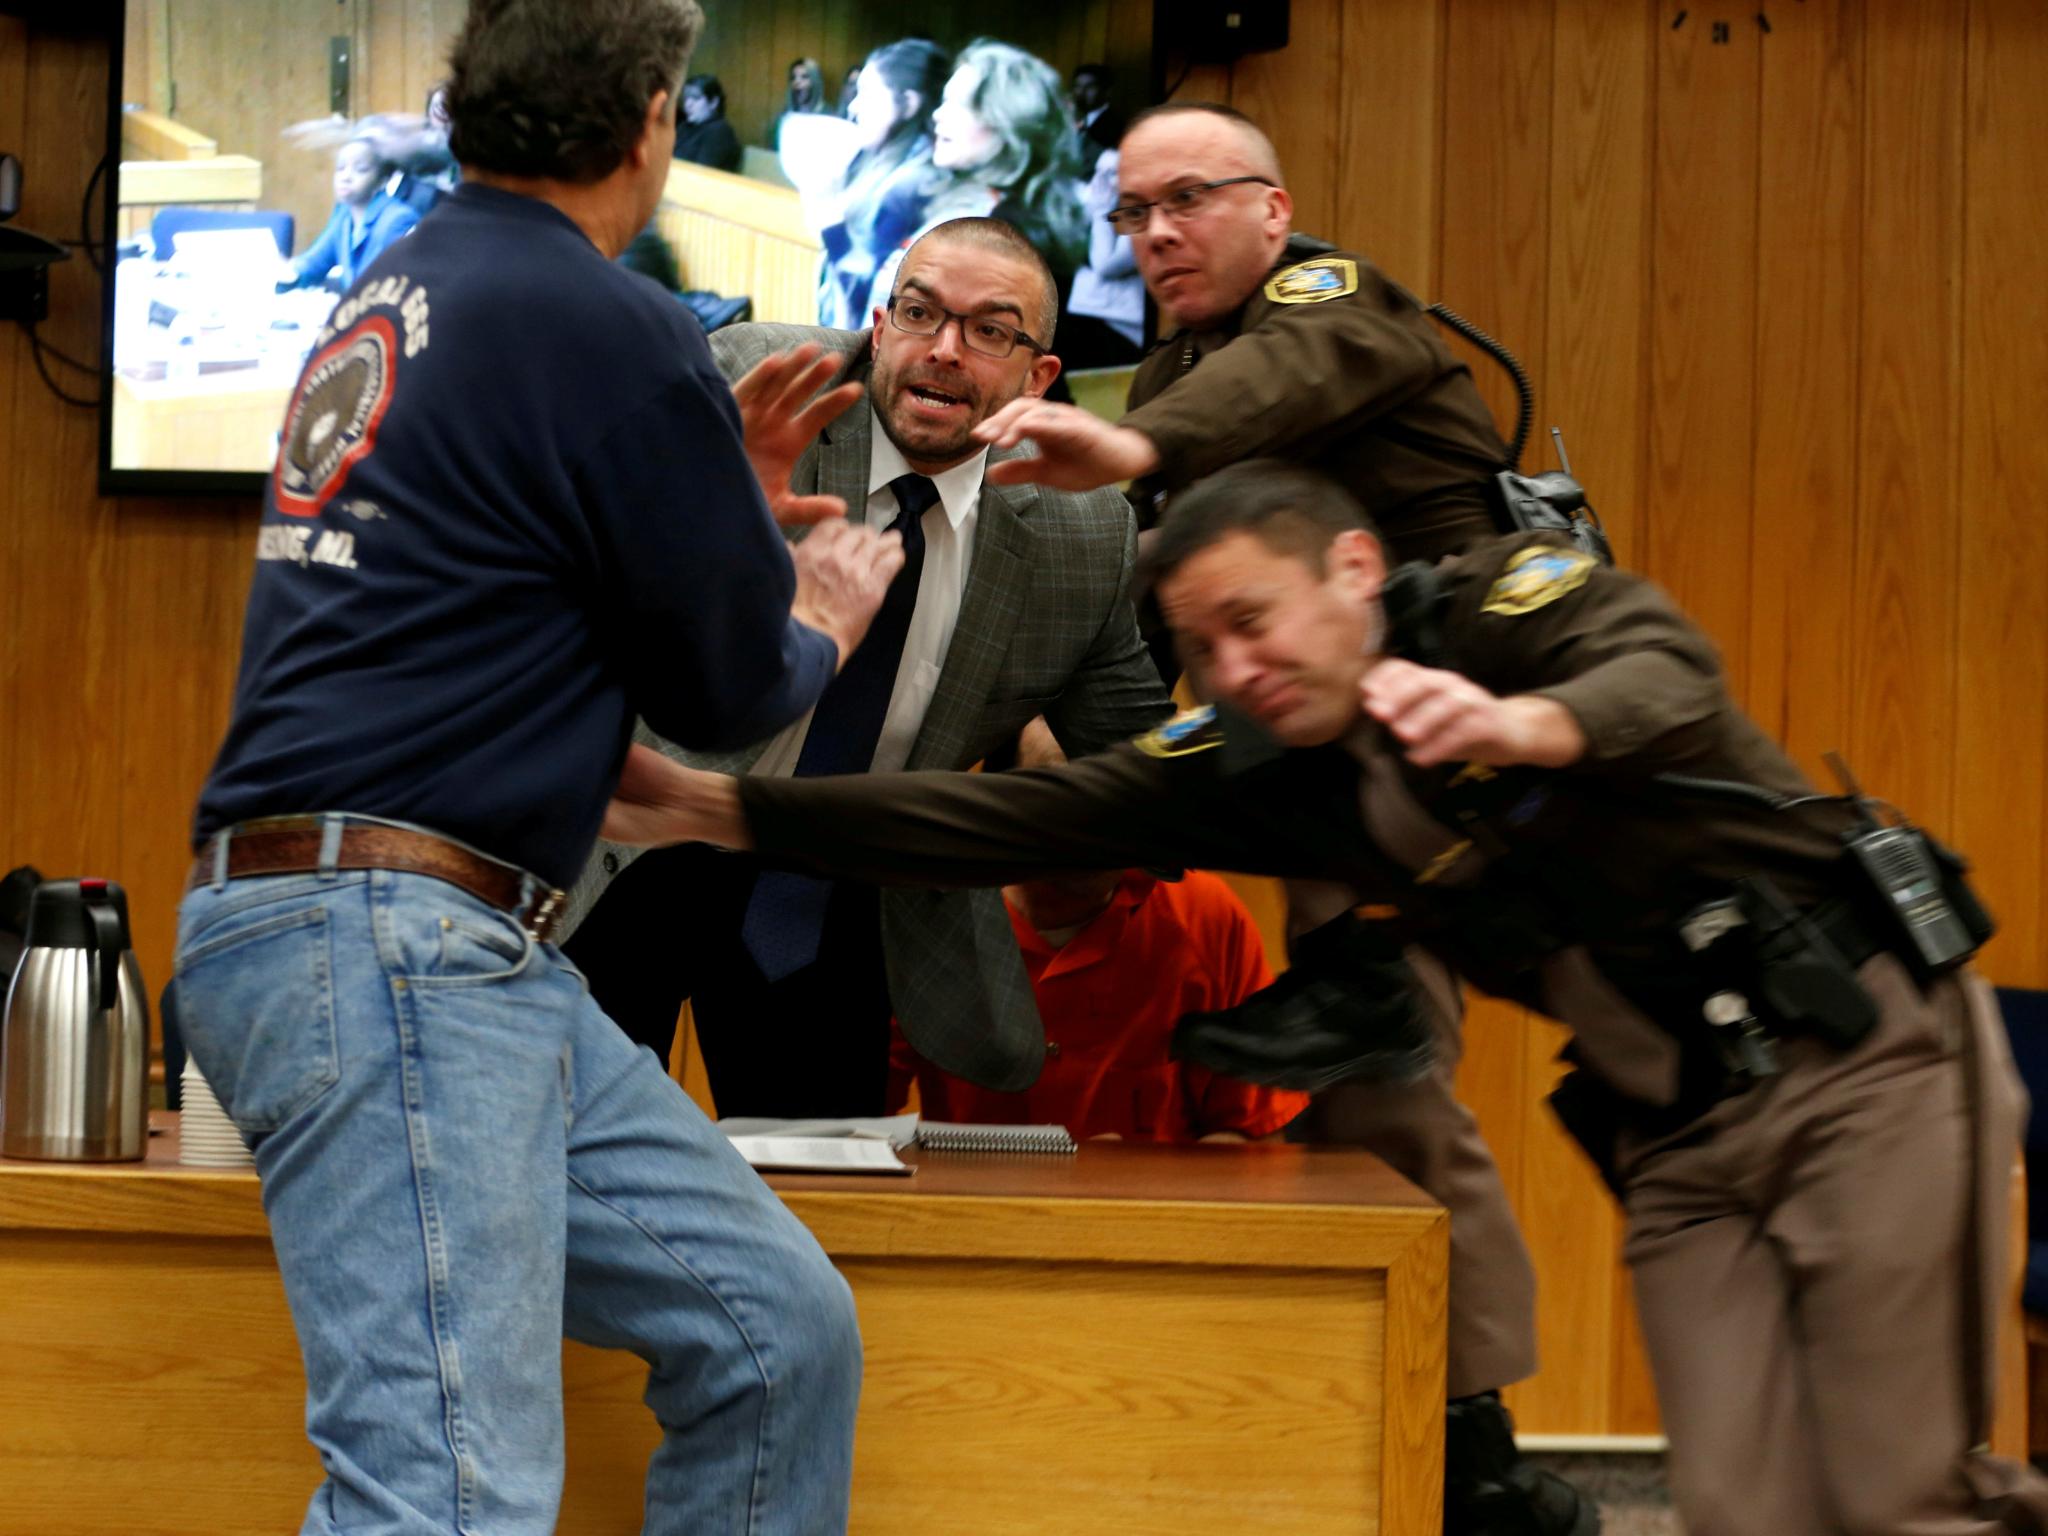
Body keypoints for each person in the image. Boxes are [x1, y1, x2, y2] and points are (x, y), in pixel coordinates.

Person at [614, 459, 2048, 1536]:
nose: (1236, 672)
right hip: (1677, 1140)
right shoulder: (1270, 764)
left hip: (1863, 1063)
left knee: (1890, 1498)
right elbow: (1010, 819)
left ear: (1353, 568)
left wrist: (1523, 723)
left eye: (1255, 621)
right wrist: (720, 810)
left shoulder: (1499, 609)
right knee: (1739, 1507)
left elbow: (1663, 675)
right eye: (1203, 649)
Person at [172, 2, 908, 1531]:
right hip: (399, 945)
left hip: (400, 940)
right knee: (444, 1497)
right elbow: (725, 689)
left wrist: (710, 500)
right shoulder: (607, 321)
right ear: (652, 122)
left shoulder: (403, 281)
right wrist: (822, 620)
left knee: (775, 1336)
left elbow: (521, 565)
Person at [968, 103, 1571, 1534]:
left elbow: (1282, 384)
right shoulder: (1176, 365)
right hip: (1332, 768)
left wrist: (1132, 443)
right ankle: (1438, 1426)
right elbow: (1157, 589)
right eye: (1131, 213)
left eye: (1187, 200)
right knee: (1365, 1094)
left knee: (1395, 1088)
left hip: (1476, 741)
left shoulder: (1333, 305)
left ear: (1275, 210)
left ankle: (1476, 1453)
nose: (1154, 235)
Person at [560, 215, 1174, 1118]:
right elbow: (572, 570)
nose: (944, 351)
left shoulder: (1080, 531)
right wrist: (706, 512)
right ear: (880, 327)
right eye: (920, 314)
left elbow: (1150, 767)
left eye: (990, 331)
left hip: (834, 886)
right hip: (632, 839)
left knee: (818, 1185)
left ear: (1039, 377)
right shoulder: (762, 382)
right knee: (564, 1153)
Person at [889, 716, 1305, 1143]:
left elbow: (1255, 1136)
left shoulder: (1205, 918)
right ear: (1007, 797)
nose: (1094, 823)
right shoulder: (931, 918)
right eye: (1062, 790)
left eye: (1117, 788)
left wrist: (1126, 1178)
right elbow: (855, 1117)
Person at [866, 41, 1087, 331]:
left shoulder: (1009, 234)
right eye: (944, 101)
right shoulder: (966, 201)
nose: (937, 115)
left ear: (1009, 120)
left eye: (960, 104)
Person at [815, 38, 950, 331]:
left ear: (909, 103)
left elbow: (867, 298)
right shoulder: (879, 162)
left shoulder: (913, 186)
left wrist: (828, 214)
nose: (854, 105)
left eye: (866, 93)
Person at [279, 135, 421, 292]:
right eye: (340, 168)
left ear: (383, 179)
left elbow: (379, 285)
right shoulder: (344, 215)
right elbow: (314, 263)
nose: (345, 177)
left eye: (361, 170)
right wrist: (286, 271)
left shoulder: (398, 220)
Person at [675, 73, 741, 172]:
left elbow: (701, 172)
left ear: (713, 102)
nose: (687, 104)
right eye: (686, 98)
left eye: (695, 98)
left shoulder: (719, 132)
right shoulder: (685, 126)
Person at [770, 56, 830, 147]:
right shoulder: (784, 115)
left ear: (816, 81)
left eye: (804, 77)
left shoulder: (828, 115)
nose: (797, 82)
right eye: (793, 78)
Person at [1068, 62, 1124, 159]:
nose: (1081, 93)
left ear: (1107, 91)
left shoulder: (1116, 125)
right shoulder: (1072, 119)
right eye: (1077, 86)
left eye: (1090, 87)